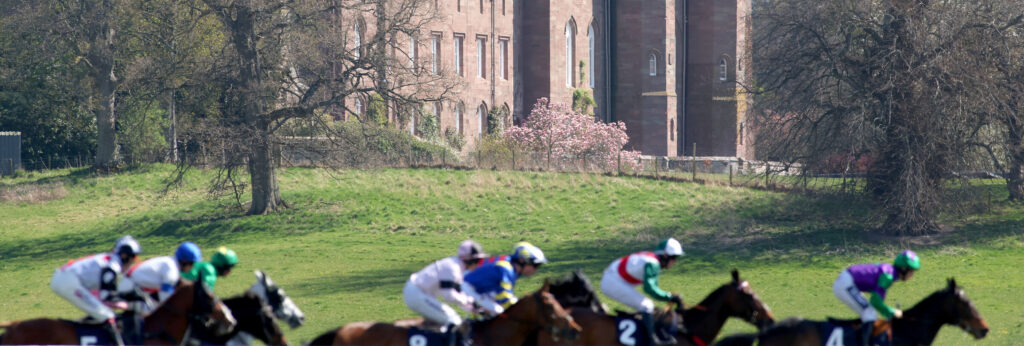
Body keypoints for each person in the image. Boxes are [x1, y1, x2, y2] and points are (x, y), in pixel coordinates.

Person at [50, 235, 141, 346]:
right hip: (68, 282)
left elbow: (103, 296)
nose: (132, 262)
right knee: (108, 316)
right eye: (133, 258)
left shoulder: (110, 260)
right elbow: (108, 296)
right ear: (125, 255)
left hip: (65, 278)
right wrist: (130, 304)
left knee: (100, 311)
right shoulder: (114, 265)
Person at [600, 238, 685, 346]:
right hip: (612, 282)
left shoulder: (652, 259)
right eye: (674, 257)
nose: (675, 261)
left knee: (647, 307)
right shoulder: (653, 264)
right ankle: (653, 341)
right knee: (647, 305)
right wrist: (670, 297)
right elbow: (649, 288)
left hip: (613, 278)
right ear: (665, 255)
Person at [403, 240, 487, 345]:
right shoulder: (453, 268)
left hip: (418, 293)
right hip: (416, 294)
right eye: (478, 261)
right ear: (469, 260)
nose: (479, 265)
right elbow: (449, 296)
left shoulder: (457, 267)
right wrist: (470, 302)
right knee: (453, 320)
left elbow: (458, 294)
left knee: (446, 323)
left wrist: (473, 307)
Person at [833, 250, 920, 346]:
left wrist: (889, 313)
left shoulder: (890, 273)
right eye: (911, 271)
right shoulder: (888, 276)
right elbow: (875, 302)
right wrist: (892, 312)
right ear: (904, 268)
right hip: (846, 284)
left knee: (869, 313)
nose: (912, 275)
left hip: (848, 281)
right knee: (869, 314)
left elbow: (877, 301)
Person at [462, 242, 547, 316]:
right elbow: (505, 297)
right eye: (535, 265)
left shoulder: (509, 264)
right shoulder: (507, 269)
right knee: (499, 311)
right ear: (522, 260)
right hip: (466, 288)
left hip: (476, 288)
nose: (535, 270)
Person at [117, 241, 202, 312]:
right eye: (192, 263)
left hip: (133, 287)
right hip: (129, 289)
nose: (193, 266)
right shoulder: (172, 270)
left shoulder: (171, 263)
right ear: (185, 261)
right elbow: (165, 298)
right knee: (156, 313)